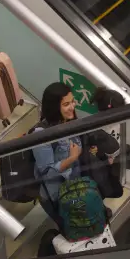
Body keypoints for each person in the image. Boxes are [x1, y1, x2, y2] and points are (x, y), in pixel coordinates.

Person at [33, 82, 84, 224]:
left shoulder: (68, 122)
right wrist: (73, 158)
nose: (72, 107)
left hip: (75, 185)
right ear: (54, 107)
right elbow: (47, 173)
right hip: (57, 195)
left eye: (73, 102)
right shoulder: (42, 135)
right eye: (66, 104)